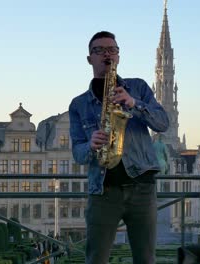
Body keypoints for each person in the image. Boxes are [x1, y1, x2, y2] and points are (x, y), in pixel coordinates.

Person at [69, 31, 169, 264]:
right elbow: (77, 152)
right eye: (100, 50)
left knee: (145, 259)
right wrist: (90, 145)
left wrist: (134, 103)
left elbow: (163, 123)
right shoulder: (79, 104)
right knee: (96, 259)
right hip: (103, 191)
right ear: (89, 59)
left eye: (112, 50)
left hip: (141, 188)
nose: (107, 54)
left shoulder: (138, 87)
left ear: (118, 57)